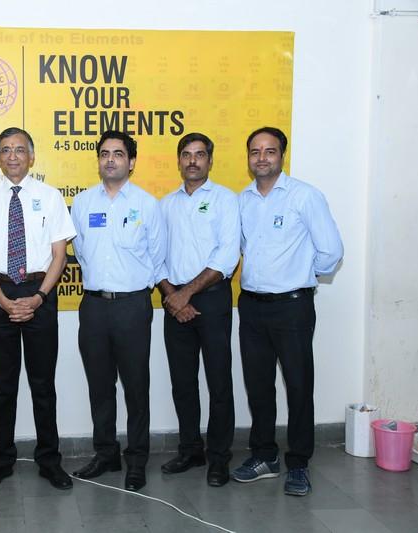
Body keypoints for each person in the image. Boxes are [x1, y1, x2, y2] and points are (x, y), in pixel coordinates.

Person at [232, 126, 343, 496]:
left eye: (270, 151)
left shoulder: (304, 196)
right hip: (252, 306)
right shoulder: (243, 200)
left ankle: (298, 464)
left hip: (292, 307)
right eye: (255, 151)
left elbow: (331, 251)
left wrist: (300, 278)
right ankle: (264, 456)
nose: (262, 158)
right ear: (249, 158)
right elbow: (243, 247)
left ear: (282, 155)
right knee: (259, 386)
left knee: (298, 386)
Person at [0, 127, 76, 490]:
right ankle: (2, 459)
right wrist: (2, 300)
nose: (12, 156)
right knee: (3, 385)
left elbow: (59, 255)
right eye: (6, 150)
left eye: (19, 150)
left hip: (39, 292)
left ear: (32, 156)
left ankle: (49, 460)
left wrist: (39, 297)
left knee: (43, 384)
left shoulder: (51, 196)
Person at [70, 130, 166, 492]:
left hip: (132, 306)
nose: (110, 160)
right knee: (100, 385)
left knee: (136, 386)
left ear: (132, 161)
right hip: (94, 306)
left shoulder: (147, 204)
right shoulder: (82, 203)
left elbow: (157, 256)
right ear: (98, 160)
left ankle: (136, 459)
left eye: (118, 154)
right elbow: (80, 252)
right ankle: (106, 453)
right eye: (105, 154)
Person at [157, 132, 240, 487]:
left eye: (200, 154)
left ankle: (219, 457)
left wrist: (187, 293)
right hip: (174, 302)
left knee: (219, 383)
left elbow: (227, 255)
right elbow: (155, 256)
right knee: (183, 382)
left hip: (212, 299)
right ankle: (190, 450)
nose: (193, 161)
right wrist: (173, 296)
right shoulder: (165, 205)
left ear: (210, 160)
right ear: (179, 160)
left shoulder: (226, 200)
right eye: (187, 155)